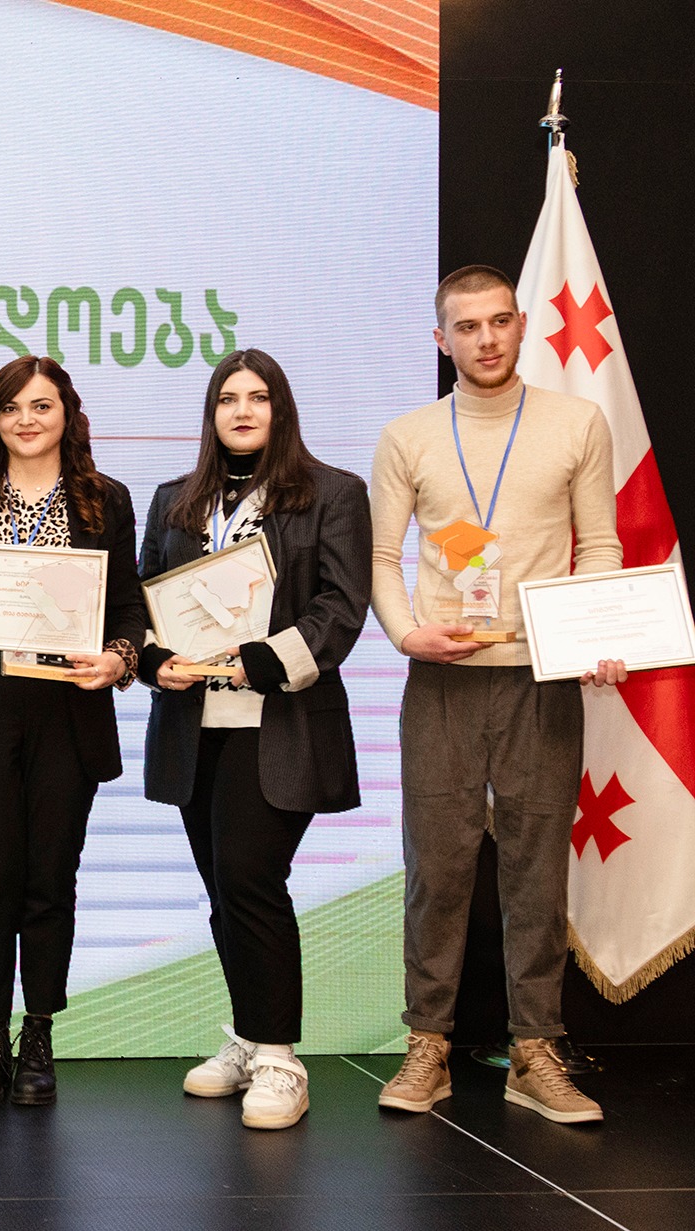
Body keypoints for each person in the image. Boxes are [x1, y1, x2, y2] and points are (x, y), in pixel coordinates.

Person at [371, 265, 625, 1124]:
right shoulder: (408, 435)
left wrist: (592, 634)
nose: (486, 339)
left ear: (521, 326)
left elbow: (600, 545)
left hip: (540, 680)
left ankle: (535, 1051)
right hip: (441, 681)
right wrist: (406, 633)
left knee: (536, 872)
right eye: (467, 326)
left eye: (499, 321)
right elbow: (381, 559)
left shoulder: (576, 423)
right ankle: (428, 1045)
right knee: (436, 871)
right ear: (440, 339)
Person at [137, 349, 372, 1130]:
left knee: (250, 877)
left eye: (258, 396)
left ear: (281, 408)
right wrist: (152, 660)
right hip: (193, 726)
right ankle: (246, 1035)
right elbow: (141, 602)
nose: (242, 410)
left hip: (279, 723)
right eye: (227, 398)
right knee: (226, 889)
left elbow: (342, 606)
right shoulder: (175, 500)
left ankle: (279, 1057)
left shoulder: (333, 492)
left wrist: (264, 659)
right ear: (211, 414)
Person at [0, 355, 142, 1107]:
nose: (27, 420)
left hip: (68, 715)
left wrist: (119, 658)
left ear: (67, 413)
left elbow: (128, 607)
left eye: (41, 405)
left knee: (50, 878)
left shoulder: (105, 498)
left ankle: (38, 1034)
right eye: (12, 408)